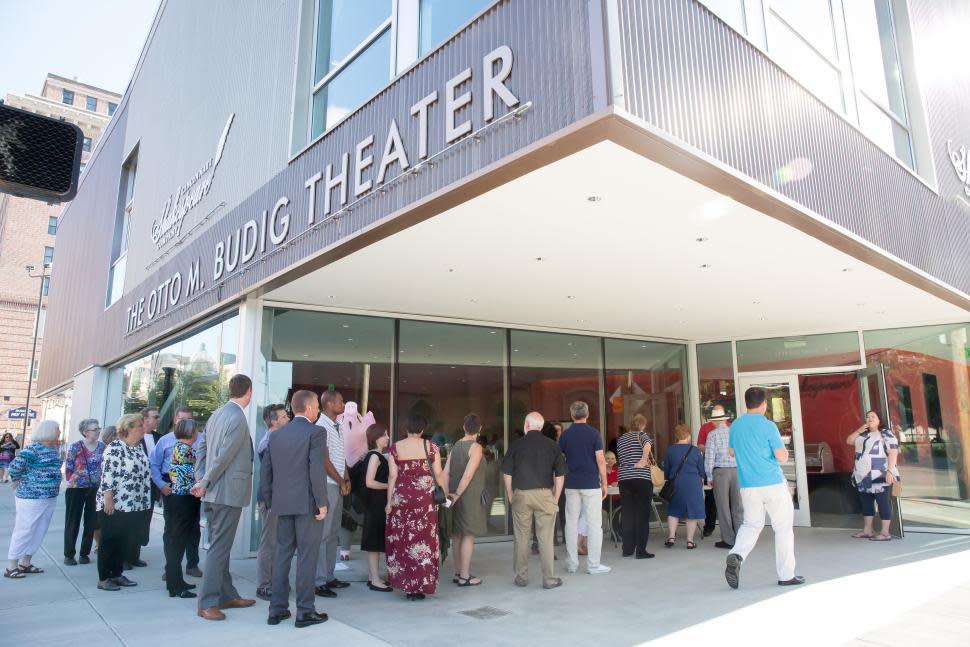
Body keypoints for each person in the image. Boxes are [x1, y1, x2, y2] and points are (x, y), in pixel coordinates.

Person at [262, 390, 330, 629]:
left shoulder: (276, 435)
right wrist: (322, 502)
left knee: (282, 555)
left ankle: (277, 610)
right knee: (307, 557)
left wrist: (270, 501)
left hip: (282, 504)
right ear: (310, 408)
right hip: (307, 504)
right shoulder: (316, 432)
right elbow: (315, 470)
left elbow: (266, 471)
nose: (318, 411)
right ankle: (305, 611)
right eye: (317, 408)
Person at [192, 374, 257, 620]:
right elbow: (225, 455)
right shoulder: (237, 417)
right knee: (219, 548)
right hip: (226, 493)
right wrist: (205, 481)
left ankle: (227, 595)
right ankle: (207, 603)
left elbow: (202, 448)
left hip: (213, 492)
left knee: (221, 546)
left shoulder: (217, 414)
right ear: (248, 392)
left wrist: (202, 478)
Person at [725, 387, 804, 589]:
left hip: (748, 485)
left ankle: (736, 554)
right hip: (772, 483)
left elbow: (732, 453)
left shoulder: (735, 426)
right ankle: (786, 575)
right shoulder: (768, 426)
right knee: (783, 528)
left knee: (751, 524)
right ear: (764, 404)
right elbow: (781, 456)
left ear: (746, 403)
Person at [503, 412, 566, 589]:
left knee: (521, 537)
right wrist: (556, 498)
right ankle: (549, 579)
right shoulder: (552, 445)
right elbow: (560, 476)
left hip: (521, 494)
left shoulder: (516, 445)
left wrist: (509, 493)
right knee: (545, 538)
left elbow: (507, 472)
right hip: (545, 494)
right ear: (540, 426)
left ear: (526, 424)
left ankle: (521, 577)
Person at [385, 414, 445, 600]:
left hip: (401, 498)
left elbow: (392, 477)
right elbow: (439, 474)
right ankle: (421, 585)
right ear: (422, 429)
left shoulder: (395, 448)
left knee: (404, 541)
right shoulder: (431, 447)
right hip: (425, 500)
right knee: (424, 541)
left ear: (406, 428)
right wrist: (445, 494)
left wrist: (388, 502)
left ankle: (408, 586)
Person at [97, 414, 151, 591]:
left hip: (133, 504)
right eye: (139, 426)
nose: (143, 428)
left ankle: (117, 574)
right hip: (115, 503)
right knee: (110, 540)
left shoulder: (137, 448)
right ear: (127, 428)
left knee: (124, 540)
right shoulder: (115, 447)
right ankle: (104, 578)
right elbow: (107, 474)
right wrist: (108, 498)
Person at [4, 420, 62, 579]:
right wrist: (16, 479)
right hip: (31, 497)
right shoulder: (32, 449)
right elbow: (14, 467)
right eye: (58, 429)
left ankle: (25, 562)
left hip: (49, 496)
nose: (60, 432)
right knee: (25, 529)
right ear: (48, 431)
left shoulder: (53, 448)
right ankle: (11, 566)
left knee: (39, 530)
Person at [151, 406, 203, 580]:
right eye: (182, 420)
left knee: (194, 528)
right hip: (173, 489)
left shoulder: (201, 439)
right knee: (172, 529)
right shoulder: (165, 440)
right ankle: (171, 567)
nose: (186, 423)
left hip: (194, 488)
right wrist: (161, 484)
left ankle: (192, 564)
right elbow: (154, 465)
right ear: (175, 420)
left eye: (189, 420)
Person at [559, 401, 610, 575]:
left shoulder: (565, 436)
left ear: (572, 415)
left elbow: (560, 461)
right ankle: (593, 565)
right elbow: (601, 460)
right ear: (587, 415)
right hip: (590, 484)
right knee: (594, 524)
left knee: (571, 523)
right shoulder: (594, 434)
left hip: (571, 483)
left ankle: (572, 564)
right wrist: (604, 482)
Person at [314, 390, 351, 598]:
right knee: (324, 534)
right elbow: (325, 460)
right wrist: (340, 480)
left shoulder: (338, 426)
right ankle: (319, 581)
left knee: (333, 533)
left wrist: (347, 479)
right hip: (328, 485)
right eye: (341, 400)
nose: (343, 403)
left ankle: (329, 576)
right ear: (328, 403)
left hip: (338, 484)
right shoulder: (321, 427)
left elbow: (340, 456)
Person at [446, 413, 487, 587]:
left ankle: (457, 572)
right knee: (468, 535)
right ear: (480, 429)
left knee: (456, 535)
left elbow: (446, 471)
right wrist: (458, 494)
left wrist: (449, 493)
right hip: (467, 496)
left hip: (453, 494)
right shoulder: (476, 447)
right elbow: (468, 474)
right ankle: (464, 576)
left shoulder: (455, 446)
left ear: (464, 427)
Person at [846, 410, 899, 541]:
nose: (869, 418)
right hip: (863, 476)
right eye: (867, 417)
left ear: (879, 420)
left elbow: (893, 451)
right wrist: (859, 430)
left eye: (873, 417)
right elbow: (849, 441)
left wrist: (890, 471)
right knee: (866, 503)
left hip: (880, 474)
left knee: (883, 502)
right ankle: (868, 530)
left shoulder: (885, 433)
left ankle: (885, 532)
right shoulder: (863, 434)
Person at [164, 418, 202, 598]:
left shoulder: (180, 448)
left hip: (179, 499)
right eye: (195, 430)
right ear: (190, 432)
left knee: (177, 540)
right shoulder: (186, 451)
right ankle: (175, 585)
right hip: (184, 500)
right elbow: (191, 477)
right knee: (178, 542)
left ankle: (176, 580)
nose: (197, 433)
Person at [255, 403, 288, 601]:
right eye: (284, 417)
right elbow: (269, 475)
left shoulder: (276, 439)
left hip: (279, 498)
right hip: (271, 499)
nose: (288, 419)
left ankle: (275, 582)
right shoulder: (269, 442)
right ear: (274, 422)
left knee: (278, 541)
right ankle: (264, 585)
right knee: (269, 542)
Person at [64, 418, 105, 565]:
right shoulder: (75, 447)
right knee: (72, 521)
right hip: (76, 489)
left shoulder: (102, 447)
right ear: (85, 432)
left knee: (91, 522)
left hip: (95, 489)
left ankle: (84, 553)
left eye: (98, 428)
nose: (98, 431)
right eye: (95, 429)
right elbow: (68, 468)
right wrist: (76, 480)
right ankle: (69, 555)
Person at [616, 414, 654, 559]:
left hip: (624, 478)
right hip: (641, 478)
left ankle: (627, 549)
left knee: (627, 514)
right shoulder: (642, 435)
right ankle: (641, 551)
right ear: (642, 425)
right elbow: (648, 444)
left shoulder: (621, 439)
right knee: (642, 515)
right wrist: (643, 460)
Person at [704, 408, 742, 549]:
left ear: (715, 421)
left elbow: (709, 457)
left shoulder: (712, 435)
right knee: (738, 506)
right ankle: (740, 538)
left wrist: (708, 476)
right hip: (737, 471)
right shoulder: (735, 433)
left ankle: (728, 540)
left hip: (720, 472)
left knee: (723, 507)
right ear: (725, 419)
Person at [129, 406, 162, 568]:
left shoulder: (159, 438)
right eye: (155, 417)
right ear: (145, 419)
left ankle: (135, 556)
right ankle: (125, 557)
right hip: (134, 488)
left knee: (143, 522)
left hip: (151, 487)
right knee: (131, 522)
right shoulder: (134, 438)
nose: (158, 419)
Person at [663, 424, 705, 549]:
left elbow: (667, 469)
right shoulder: (696, 450)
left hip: (676, 483)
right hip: (692, 483)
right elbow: (701, 470)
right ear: (688, 435)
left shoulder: (670, 450)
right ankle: (690, 541)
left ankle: (671, 537)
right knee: (691, 512)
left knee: (673, 510)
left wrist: (668, 477)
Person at [361, 423, 391, 592]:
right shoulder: (374, 456)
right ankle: (374, 579)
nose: (387, 437)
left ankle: (374, 577)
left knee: (375, 540)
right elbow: (369, 482)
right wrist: (389, 485)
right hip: (375, 504)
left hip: (376, 503)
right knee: (374, 542)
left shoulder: (376, 455)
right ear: (375, 438)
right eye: (384, 434)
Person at [698, 405, 730, 538]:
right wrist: (711, 449)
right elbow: (700, 445)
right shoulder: (706, 428)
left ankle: (729, 532)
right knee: (710, 499)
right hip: (716, 466)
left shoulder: (730, 428)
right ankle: (709, 526)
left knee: (728, 500)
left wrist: (713, 450)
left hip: (716, 468)